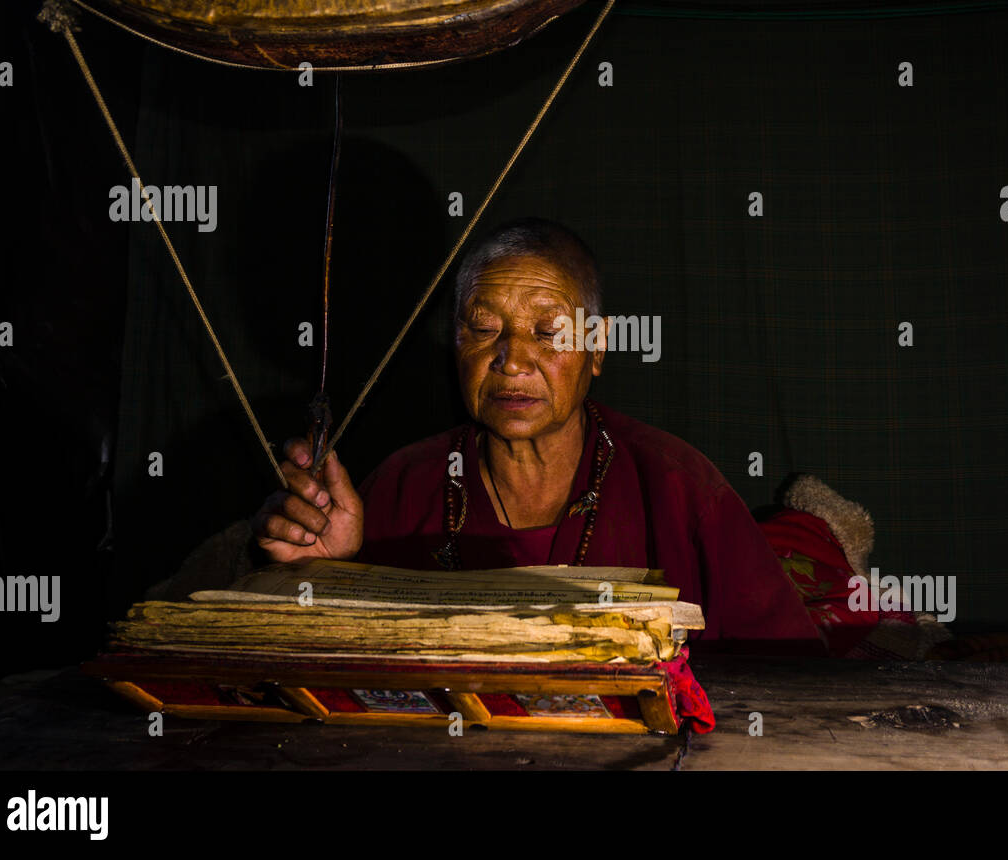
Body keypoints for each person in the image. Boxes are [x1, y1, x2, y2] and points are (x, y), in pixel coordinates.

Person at [251, 218, 821, 648]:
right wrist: (327, 569)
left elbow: (792, 673)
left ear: (597, 345)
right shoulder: (402, 484)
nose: (512, 360)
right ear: (456, 343)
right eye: (484, 328)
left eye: (548, 332)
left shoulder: (676, 485)